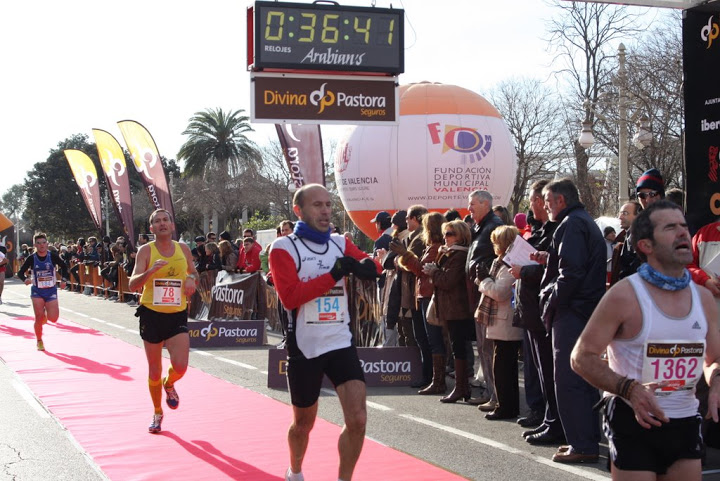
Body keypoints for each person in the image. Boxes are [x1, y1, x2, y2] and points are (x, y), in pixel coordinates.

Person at [572, 200, 720, 479]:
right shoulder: (624, 296)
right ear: (646, 245)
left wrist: (716, 382)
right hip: (634, 420)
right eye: (670, 227)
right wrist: (629, 389)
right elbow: (581, 357)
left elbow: (714, 359)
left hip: (686, 420)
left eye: (684, 227)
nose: (683, 233)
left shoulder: (703, 299)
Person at [268, 184, 380, 481]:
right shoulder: (283, 248)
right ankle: (295, 470)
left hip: (340, 340)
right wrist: (332, 275)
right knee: (303, 424)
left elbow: (370, 263)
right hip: (305, 346)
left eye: (329, 204)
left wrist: (369, 265)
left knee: (357, 419)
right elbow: (290, 297)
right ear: (299, 210)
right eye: (317, 205)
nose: (326, 210)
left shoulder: (340, 242)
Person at [534, 178, 606, 463]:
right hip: (583, 309)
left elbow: (570, 273)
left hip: (573, 311)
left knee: (568, 379)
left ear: (561, 200)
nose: (546, 207)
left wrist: (550, 303)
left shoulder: (572, 224)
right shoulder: (581, 221)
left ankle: (582, 443)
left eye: (549, 202)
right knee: (582, 377)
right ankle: (585, 438)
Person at [128, 209, 199, 434]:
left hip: (177, 313)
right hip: (151, 314)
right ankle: (158, 412)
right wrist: (150, 271)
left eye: (165, 220)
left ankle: (170, 384)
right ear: (151, 228)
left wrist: (190, 279)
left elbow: (195, 273)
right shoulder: (145, 251)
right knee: (154, 370)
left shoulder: (183, 249)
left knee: (181, 366)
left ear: (172, 225)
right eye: (157, 221)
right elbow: (132, 285)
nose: (162, 224)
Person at [509, 180, 561, 441]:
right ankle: (542, 414)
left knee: (548, 369)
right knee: (537, 367)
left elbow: (552, 268)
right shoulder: (538, 229)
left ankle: (552, 419)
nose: (530, 205)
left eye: (531, 200)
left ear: (542, 200)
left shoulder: (555, 230)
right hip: (530, 307)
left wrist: (524, 270)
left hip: (543, 309)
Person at [476, 225, 524, 420]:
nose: (493, 245)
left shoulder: (508, 264)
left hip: (506, 321)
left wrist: (484, 280)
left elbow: (499, 292)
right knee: (503, 366)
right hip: (501, 320)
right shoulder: (501, 263)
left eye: (496, 241)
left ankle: (506, 406)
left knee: (503, 367)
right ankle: (505, 404)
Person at [424, 219, 474, 404]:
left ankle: (461, 387)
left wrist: (433, 272)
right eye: (445, 233)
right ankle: (462, 387)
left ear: (461, 235)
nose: (446, 237)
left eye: (450, 233)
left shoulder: (459, 255)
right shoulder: (448, 253)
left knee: (459, 347)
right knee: (456, 346)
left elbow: (448, 281)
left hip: (458, 308)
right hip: (451, 307)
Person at [397, 212, 447, 394]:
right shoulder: (431, 246)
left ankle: (436, 379)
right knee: (425, 338)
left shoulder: (436, 248)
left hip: (428, 294)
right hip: (423, 294)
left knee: (432, 339)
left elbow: (421, 270)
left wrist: (406, 255)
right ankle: (429, 377)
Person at [466, 190, 504, 410]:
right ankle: (493, 394)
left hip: (488, 294)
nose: (469, 208)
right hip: (480, 292)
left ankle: (496, 396)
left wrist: (483, 276)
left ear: (485, 204)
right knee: (483, 348)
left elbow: (498, 258)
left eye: (472, 204)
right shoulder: (480, 227)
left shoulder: (492, 227)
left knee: (488, 349)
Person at [16, 233, 69, 351]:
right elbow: (20, 272)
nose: (42, 245)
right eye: (39, 243)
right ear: (35, 245)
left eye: (44, 243)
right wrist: (25, 279)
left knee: (53, 318)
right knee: (38, 317)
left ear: (47, 244)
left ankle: (46, 314)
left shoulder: (53, 256)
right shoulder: (31, 258)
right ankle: (39, 341)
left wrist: (64, 280)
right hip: (37, 291)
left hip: (51, 290)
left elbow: (64, 266)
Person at [610, 201, 643, 286]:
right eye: (620, 213)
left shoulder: (638, 239)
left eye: (625, 213)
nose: (620, 217)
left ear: (637, 216)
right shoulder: (626, 236)